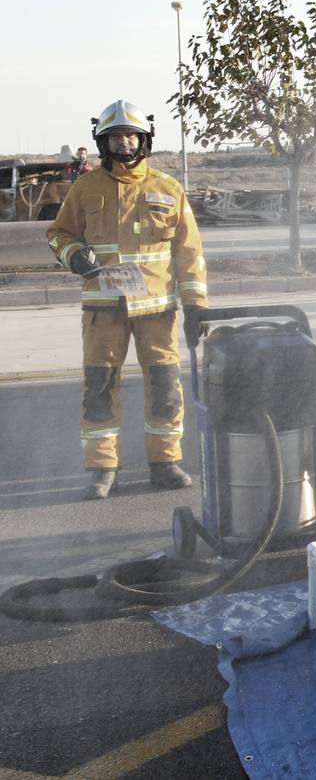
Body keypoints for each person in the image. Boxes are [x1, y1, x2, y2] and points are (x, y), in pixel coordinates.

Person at [47, 101, 207, 499]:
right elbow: (59, 234)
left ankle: (164, 463)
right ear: (103, 142)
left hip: (157, 310)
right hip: (104, 309)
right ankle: (103, 469)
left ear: (144, 140)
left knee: (165, 386)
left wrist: (197, 305)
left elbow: (189, 253)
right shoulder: (85, 189)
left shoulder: (168, 189)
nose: (124, 142)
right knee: (100, 387)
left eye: (131, 135)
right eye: (116, 136)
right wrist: (75, 255)